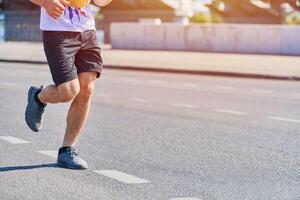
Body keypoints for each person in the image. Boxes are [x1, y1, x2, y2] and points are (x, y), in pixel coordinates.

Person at [27, 0, 113, 170]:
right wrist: (45, 3)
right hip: (57, 33)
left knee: (86, 89)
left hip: (87, 30)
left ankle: (67, 150)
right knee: (68, 92)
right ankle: (38, 96)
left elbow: (100, 2)